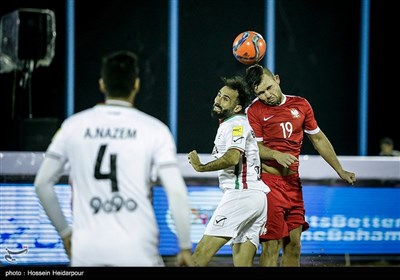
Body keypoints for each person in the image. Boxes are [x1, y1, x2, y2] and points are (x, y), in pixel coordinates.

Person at [34, 50, 194, 267]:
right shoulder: (155, 130)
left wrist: (65, 232)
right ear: (136, 85)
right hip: (138, 251)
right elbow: (176, 191)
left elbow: (42, 184)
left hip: (87, 252)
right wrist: (184, 245)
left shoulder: (73, 126)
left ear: (102, 84)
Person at [244, 64, 356, 267]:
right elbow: (254, 148)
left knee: (294, 245)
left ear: (277, 79)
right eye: (261, 92)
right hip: (268, 185)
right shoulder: (254, 111)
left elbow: (319, 139)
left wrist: (340, 170)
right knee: (271, 246)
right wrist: (275, 154)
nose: (267, 95)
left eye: (269, 87)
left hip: (293, 185)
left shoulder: (301, 105)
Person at [187, 76, 270, 266]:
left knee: (200, 254)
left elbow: (233, 157)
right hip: (256, 198)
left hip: (242, 195)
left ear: (237, 107)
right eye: (219, 95)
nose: (218, 100)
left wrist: (201, 167)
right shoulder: (231, 123)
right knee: (242, 263)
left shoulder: (236, 124)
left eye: (226, 99)